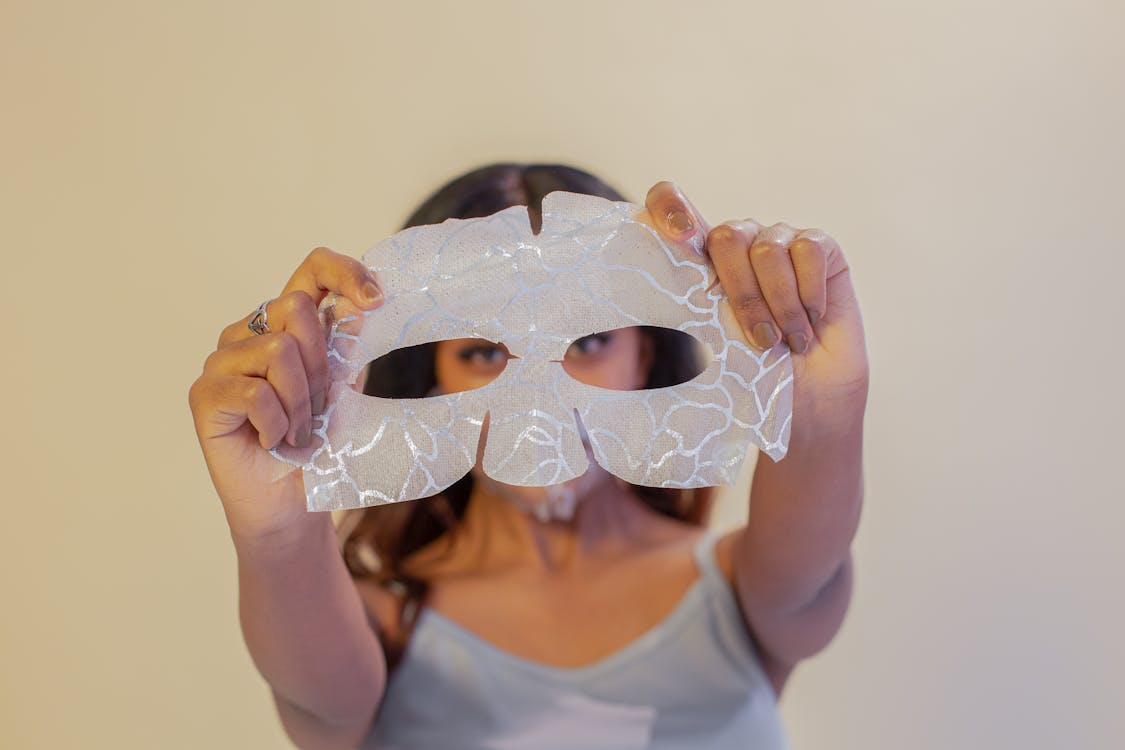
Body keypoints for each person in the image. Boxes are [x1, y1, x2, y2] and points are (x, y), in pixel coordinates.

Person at [188, 164, 869, 749]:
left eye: (590, 338)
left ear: (647, 352)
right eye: (483, 352)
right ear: (430, 377)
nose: (539, 395)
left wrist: (820, 401)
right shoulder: (378, 626)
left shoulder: (740, 594)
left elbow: (805, 578)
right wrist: (275, 518)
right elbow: (319, 700)